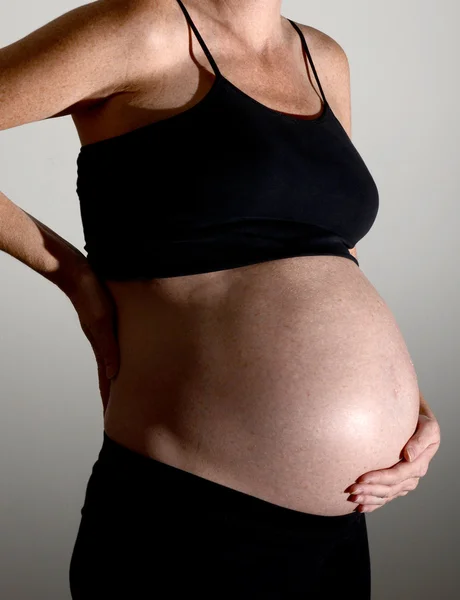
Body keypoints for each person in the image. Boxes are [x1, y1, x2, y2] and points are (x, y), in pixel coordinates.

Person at [0, 0, 441, 597]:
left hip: (342, 528)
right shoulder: (144, 29)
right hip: (193, 517)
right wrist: (74, 278)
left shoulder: (322, 57)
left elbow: (329, 249)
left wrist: (407, 406)